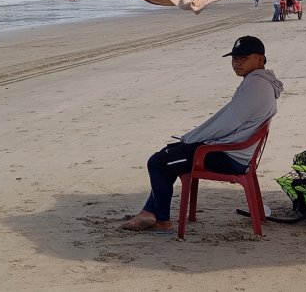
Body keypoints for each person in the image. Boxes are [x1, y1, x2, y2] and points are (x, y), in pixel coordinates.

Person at [121, 35, 283, 234]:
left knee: (158, 162)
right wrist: (192, 138)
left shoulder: (257, 86)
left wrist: (191, 138)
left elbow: (228, 123)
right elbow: (229, 120)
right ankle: (148, 212)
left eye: (243, 57)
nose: (236, 62)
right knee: (170, 156)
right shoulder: (258, 82)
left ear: (260, 59)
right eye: (234, 58)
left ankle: (162, 221)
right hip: (234, 150)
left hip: (230, 157)